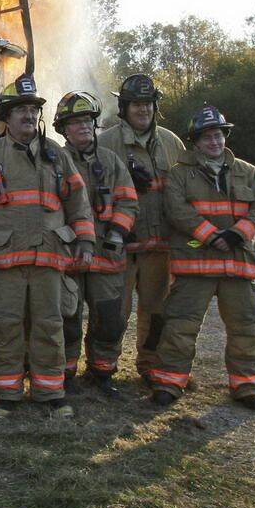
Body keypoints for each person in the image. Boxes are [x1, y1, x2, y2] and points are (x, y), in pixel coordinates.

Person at [0, 74, 95, 419]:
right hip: (5, 259)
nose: (27, 115)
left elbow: (78, 200)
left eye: (32, 109)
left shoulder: (57, 156)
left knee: (50, 325)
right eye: (20, 110)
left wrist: (85, 239)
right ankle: (6, 395)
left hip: (50, 256)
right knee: (6, 325)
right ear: (6, 118)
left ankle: (50, 393)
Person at [151, 105, 255, 411]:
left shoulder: (248, 172)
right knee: (180, 325)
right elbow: (177, 209)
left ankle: (246, 386)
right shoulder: (180, 174)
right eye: (207, 138)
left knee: (246, 326)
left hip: (238, 264)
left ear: (225, 136)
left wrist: (238, 233)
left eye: (218, 135)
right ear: (195, 141)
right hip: (196, 265)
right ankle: (169, 382)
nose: (214, 142)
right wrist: (210, 235)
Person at [99, 74, 185, 381]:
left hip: (158, 245)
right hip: (119, 245)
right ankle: (104, 367)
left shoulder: (172, 143)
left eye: (148, 103)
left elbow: (185, 190)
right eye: (136, 104)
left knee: (156, 311)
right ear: (124, 107)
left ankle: (150, 365)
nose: (143, 110)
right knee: (113, 310)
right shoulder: (105, 142)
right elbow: (90, 193)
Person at [54, 92, 138, 398]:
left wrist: (117, 232)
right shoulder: (55, 161)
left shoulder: (111, 161)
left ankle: (102, 372)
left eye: (87, 120)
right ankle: (65, 375)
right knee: (68, 319)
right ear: (63, 129)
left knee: (109, 319)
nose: (83, 127)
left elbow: (128, 201)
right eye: (75, 122)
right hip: (70, 254)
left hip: (107, 253)